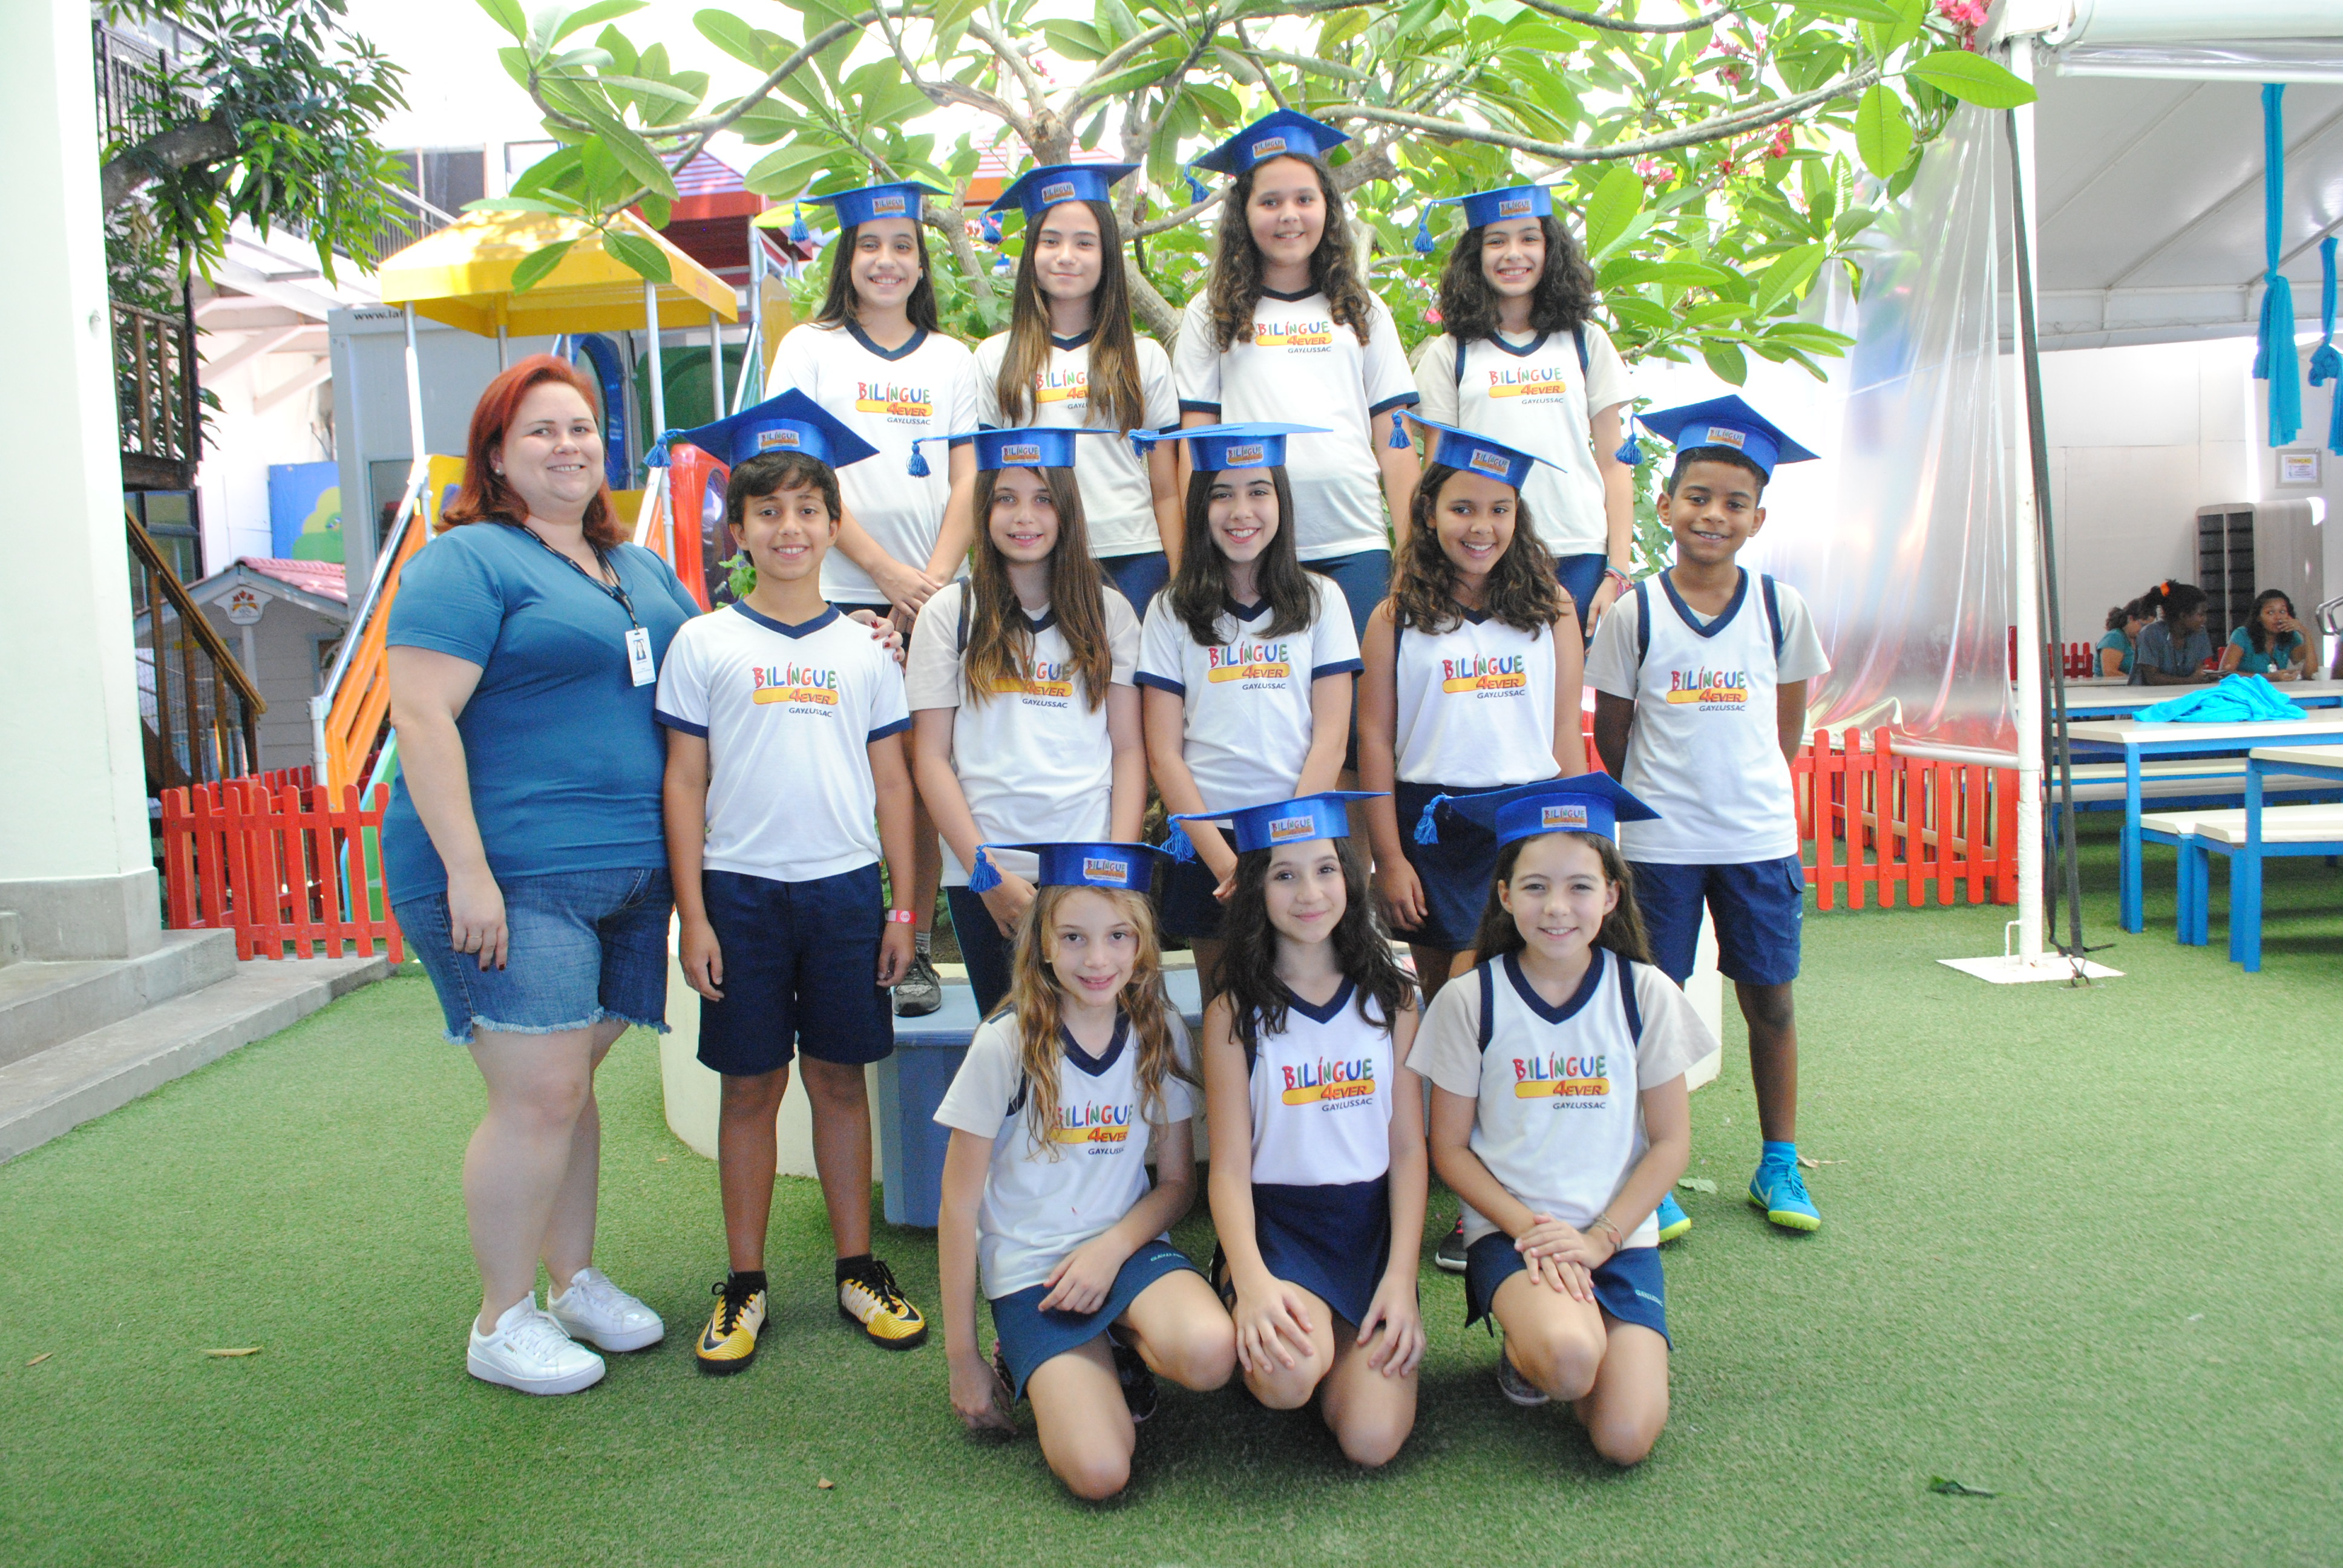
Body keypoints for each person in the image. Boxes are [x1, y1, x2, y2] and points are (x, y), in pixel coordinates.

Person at [384, 355, 697, 1394]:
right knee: (543, 1091)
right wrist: (467, 872)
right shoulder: (468, 560)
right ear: (495, 456)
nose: (568, 446)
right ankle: (501, 1318)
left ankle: (573, 1282)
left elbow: (712, 677)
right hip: (511, 874)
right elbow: (421, 714)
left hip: (631, 876)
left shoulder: (638, 567)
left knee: (565, 1085)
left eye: (582, 427)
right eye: (540, 431)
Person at [655, 391, 931, 1368]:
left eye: (809, 510)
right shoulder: (704, 643)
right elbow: (684, 782)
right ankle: (745, 1283)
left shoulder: (865, 648)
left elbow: (894, 785)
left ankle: (858, 1268)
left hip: (845, 893)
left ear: (832, 523)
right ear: (738, 527)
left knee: (841, 1081)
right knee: (750, 1087)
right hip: (740, 895)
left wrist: (905, 909)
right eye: (767, 510)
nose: (789, 528)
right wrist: (694, 917)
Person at [1585, 394, 1832, 1236]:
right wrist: (1666, 803)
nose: (1713, 515)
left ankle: (1778, 1163)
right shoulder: (1634, 614)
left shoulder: (1778, 608)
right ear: (1665, 505)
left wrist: (1742, 793)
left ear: (1758, 519)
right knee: (1650, 1010)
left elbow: (1786, 729)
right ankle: (1650, 1166)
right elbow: (1613, 736)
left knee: (1771, 1002)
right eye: (1697, 497)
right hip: (1660, 848)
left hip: (1756, 839)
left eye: (1734, 502)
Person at [1418, 776, 1708, 1465]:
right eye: (1535, 886)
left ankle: (1580, 1332)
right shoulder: (1471, 999)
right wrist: (1533, 1231)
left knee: (1624, 1439)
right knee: (1572, 1361)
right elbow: (1448, 1149)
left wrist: (1603, 1238)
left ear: (1611, 896)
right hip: (1516, 1235)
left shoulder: (1644, 993)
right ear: (1503, 895)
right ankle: (1536, 1347)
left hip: (1618, 1236)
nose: (1556, 907)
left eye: (1580, 886)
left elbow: (1671, 1143)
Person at [934, 843, 1237, 1501]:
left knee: (1213, 1353)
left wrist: (1110, 1249)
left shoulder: (1157, 1029)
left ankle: (1120, 1342)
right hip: (1033, 1273)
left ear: (1142, 943)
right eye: (1073, 937)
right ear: (1041, 941)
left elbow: (1177, 1186)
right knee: (1100, 1473)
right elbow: (957, 1208)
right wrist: (961, 1358)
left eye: (1117, 936)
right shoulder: (1005, 1043)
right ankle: (1036, 1356)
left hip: (1124, 1252)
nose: (1098, 959)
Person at [775, 179, 981, 1017]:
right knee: (841, 775)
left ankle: (915, 941)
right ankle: (832, 943)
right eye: (869, 246)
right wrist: (886, 575)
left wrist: (927, 587)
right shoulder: (810, 348)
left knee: (922, 777)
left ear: (922, 262)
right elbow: (802, 475)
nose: (886, 262)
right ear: (846, 258)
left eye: (903, 247)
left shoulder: (952, 359)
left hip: (936, 599)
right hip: (835, 592)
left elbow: (969, 480)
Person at [1181, 793, 1426, 1468]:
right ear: (1255, 890)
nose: (1310, 893)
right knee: (1286, 1380)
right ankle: (1251, 1301)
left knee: (1372, 1442)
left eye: (1325, 870)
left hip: (1370, 1234)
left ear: (1351, 876)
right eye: (1284, 875)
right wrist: (1255, 1280)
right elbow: (1228, 1170)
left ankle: (1344, 1339)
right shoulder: (1235, 1013)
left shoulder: (1395, 999)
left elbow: (1408, 1150)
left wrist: (1401, 1278)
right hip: (1279, 1233)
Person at [907, 428, 1147, 1018]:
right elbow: (930, 758)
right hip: (987, 870)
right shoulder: (950, 615)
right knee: (1009, 1042)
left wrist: (1113, 872)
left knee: (1092, 1039)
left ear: (1067, 510)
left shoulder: (1109, 613)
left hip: (1086, 866)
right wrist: (985, 872)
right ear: (982, 510)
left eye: (1042, 499)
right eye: (1005, 499)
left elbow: (1128, 750)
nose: (1024, 517)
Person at [1174, 110, 1420, 647]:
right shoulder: (1211, 312)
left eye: (1305, 199)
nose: (1289, 215)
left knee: (1359, 694)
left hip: (1354, 540)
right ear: (1243, 214)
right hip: (1249, 545)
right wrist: (1196, 555)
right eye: (1270, 202)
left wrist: (1412, 552)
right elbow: (1194, 442)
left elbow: (1396, 440)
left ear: (1327, 207)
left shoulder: (1362, 309)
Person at [1132, 423, 1361, 989]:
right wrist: (1227, 866)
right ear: (1199, 507)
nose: (1241, 511)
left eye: (1259, 491)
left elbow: (1331, 739)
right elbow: (1164, 753)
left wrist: (1286, 854)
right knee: (1224, 1007)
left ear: (1281, 501)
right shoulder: (1170, 610)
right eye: (1221, 494)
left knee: (1306, 1001)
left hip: (1301, 837)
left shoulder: (1322, 600)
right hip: (1210, 840)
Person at [1358, 421, 1585, 993]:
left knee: (1513, 987)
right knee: (1446, 995)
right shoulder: (1394, 618)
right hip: (1433, 826)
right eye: (1463, 509)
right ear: (1429, 512)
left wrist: (1578, 839)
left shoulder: (1553, 608)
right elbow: (1375, 741)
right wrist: (1390, 858)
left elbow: (1565, 730)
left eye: (1499, 510)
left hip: (1526, 822)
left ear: (1517, 515)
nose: (1482, 527)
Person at [1411, 182, 1636, 636]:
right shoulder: (1450, 353)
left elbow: (1614, 462)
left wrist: (1617, 569)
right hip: (1484, 553)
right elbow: (1436, 472)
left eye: (1529, 238)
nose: (1514, 254)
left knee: (1572, 681)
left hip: (1579, 549)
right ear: (1475, 255)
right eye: (1497, 241)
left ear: (1550, 249)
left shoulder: (1586, 342)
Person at [976, 163, 1182, 612]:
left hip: (1132, 554)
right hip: (1035, 556)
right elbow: (985, 482)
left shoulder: (1145, 357)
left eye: (1084, 243)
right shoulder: (995, 357)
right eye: (1051, 241)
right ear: (1032, 252)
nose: (1066, 256)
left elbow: (1166, 488)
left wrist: (1180, 575)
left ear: (1107, 254)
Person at [2129, 581, 2215, 686]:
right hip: (2148, 695)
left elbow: (2197, 672)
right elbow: (2152, 678)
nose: (2205, 619)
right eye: (2201, 615)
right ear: (2183, 616)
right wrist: (2189, 681)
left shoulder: (2200, 633)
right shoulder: (2150, 634)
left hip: (2185, 693)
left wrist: (2204, 677)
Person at [2220, 587, 2312, 680]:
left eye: (2282, 612)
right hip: (2245, 688)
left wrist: (2306, 633)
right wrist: (2270, 677)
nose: (2278, 617)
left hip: (2276, 689)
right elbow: (2225, 673)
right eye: (2270, 613)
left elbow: (2310, 674)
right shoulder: (2242, 635)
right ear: (2259, 617)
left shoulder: (2290, 635)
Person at [2096, 598, 2147, 678]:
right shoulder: (2114, 637)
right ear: (2131, 619)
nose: (2146, 630)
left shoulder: (2136, 639)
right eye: (2144, 625)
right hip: (2112, 685)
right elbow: (2110, 673)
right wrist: (2135, 681)